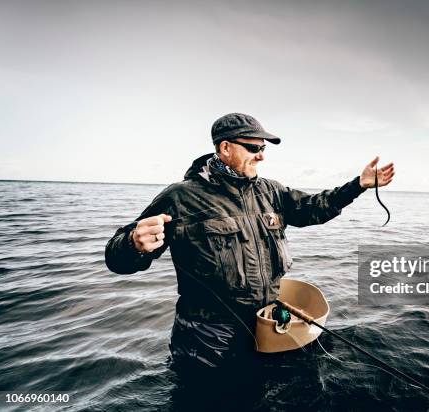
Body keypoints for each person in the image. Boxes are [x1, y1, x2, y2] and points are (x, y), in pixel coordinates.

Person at [105, 113, 395, 372]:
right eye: (254, 148)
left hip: (263, 325)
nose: (261, 156)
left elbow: (313, 208)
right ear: (225, 148)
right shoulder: (180, 197)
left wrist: (357, 185)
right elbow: (117, 259)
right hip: (207, 338)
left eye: (263, 149)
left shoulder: (272, 191)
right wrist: (134, 243)